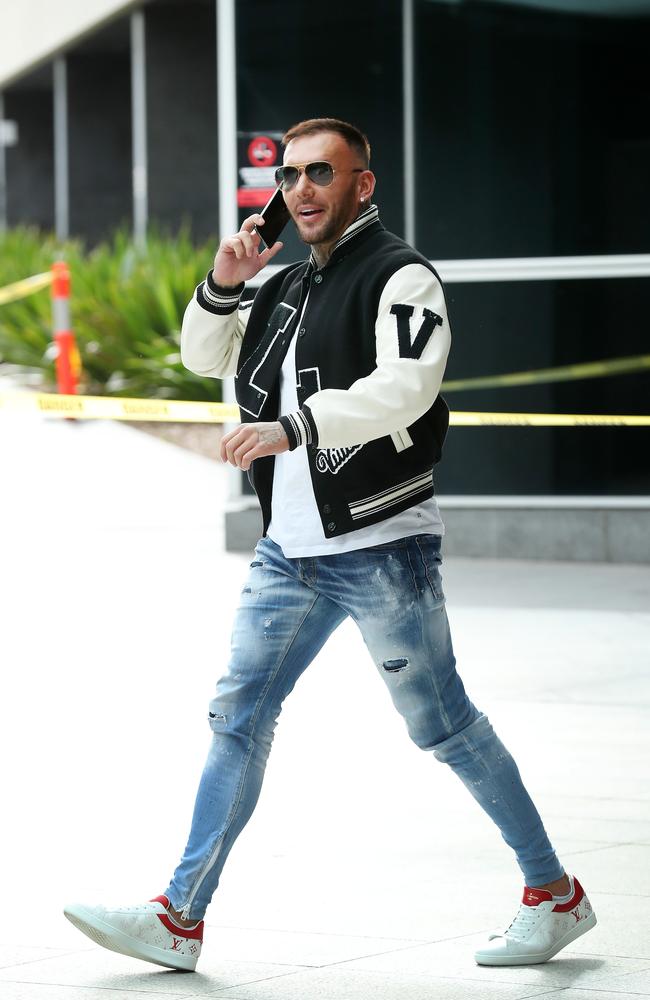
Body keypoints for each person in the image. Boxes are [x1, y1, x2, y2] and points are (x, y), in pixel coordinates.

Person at [64, 117, 596, 972]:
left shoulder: (401, 277)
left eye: (321, 173)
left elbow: (407, 388)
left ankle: (554, 895)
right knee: (239, 715)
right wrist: (225, 280)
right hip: (291, 549)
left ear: (362, 184)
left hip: (383, 543)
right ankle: (179, 917)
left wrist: (293, 428)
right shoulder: (278, 284)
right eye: (289, 177)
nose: (301, 191)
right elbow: (205, 357)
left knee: (443, 725)